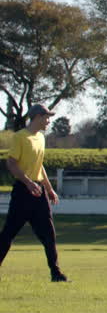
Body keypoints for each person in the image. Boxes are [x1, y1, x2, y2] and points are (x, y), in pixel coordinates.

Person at [0, 105, 68, 282]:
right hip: (23, 191)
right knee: (8, 233)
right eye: (47, 117)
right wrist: (28, 183)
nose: (49, 121)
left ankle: (56, 273)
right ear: (38, 116)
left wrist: (49, 189)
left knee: (49, 234)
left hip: (39, 191)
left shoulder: (41, 138)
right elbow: (11, 163)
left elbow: (39, 165)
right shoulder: (20, 137)